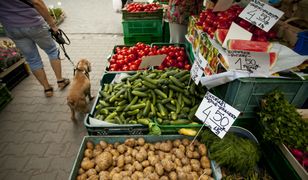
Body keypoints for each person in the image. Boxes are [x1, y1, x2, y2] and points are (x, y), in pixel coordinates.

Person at [0, 0, 70, 97]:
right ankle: (60, 81)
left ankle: (47, 89)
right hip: (34, 24)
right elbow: (37, 2)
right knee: (52, 51)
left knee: (32, 59)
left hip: (12, 28)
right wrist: (52, 24)